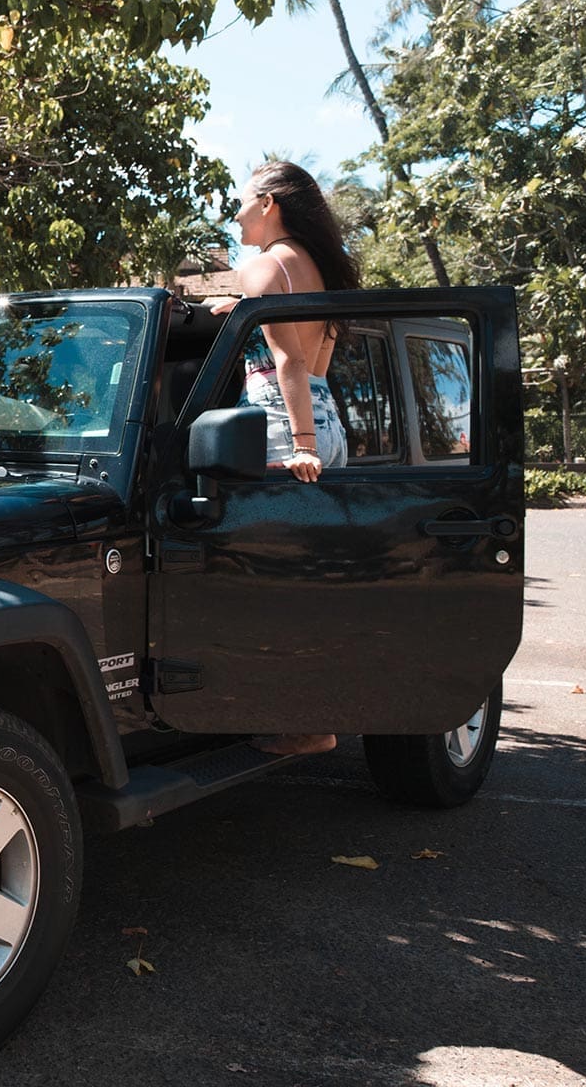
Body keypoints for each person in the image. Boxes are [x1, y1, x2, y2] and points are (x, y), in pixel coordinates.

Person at [208, 160, 358, 758]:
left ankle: (306, 724)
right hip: (327, 415)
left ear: (270, 203)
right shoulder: (313, 268)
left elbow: (286, 363)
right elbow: (310, 355)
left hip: (282, 424)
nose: (235, 214)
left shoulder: (264, 266)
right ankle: (311, 714)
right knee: (309, 581)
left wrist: (301, 447)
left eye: (242, 202)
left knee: (273, 583)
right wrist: (238, 312)